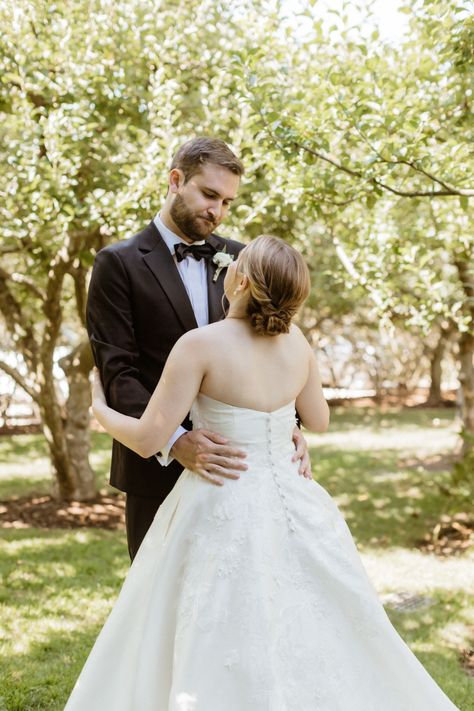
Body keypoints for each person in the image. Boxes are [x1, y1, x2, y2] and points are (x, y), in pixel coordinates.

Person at [65, 236, 459, 710]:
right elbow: (317, 419)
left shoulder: (199, 345)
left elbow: (150, 439)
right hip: (294, 499)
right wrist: (283, 429)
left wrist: (101, 408)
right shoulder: (297, 343)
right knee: (310, 618)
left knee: (220, 625)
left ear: (243, 279)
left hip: (219, 501)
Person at [86, 137, 310, 560]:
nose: (218, 211)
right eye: (210, 195)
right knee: (161, 610)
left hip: (243, 476)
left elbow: (272, 346)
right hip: (155, 469)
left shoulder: (243, 259)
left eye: (227, 202)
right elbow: (119, 372)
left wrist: (284, 425)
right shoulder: (117, 264)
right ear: (175, 180)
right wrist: (175, 442)